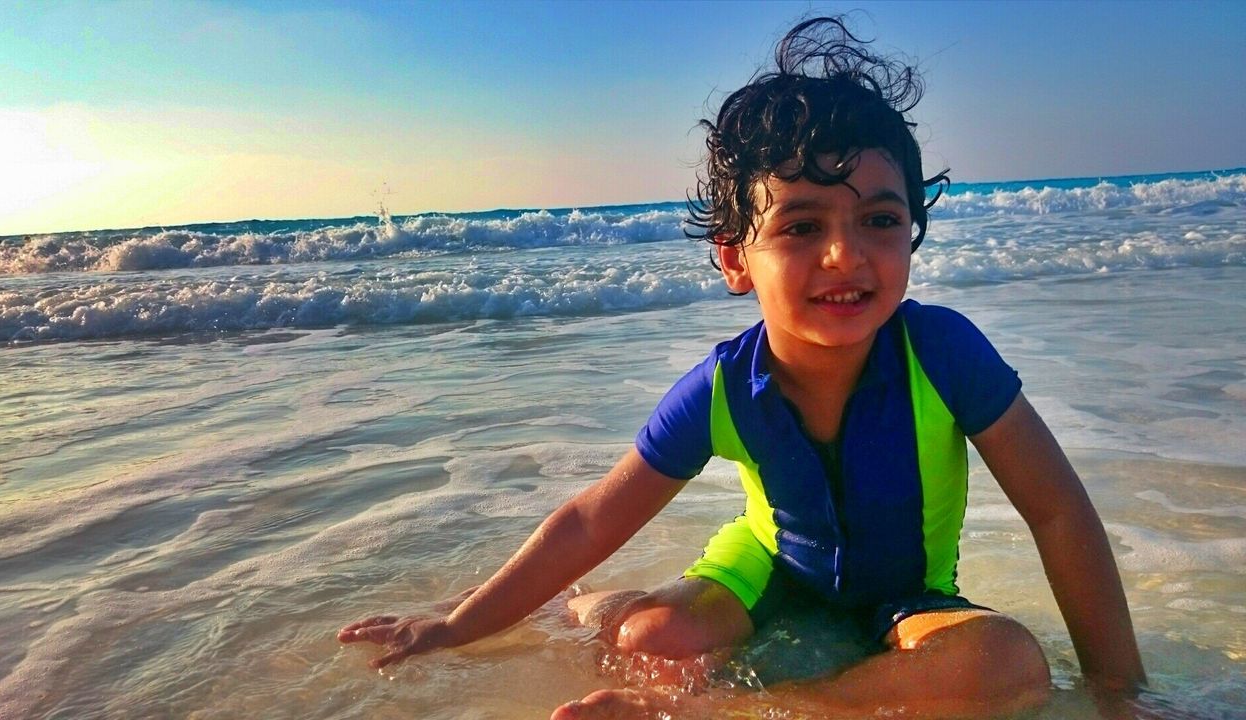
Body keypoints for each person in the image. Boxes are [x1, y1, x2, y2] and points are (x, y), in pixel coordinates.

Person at [338, 16, 1146, 719]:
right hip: (767, 573)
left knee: (1010, 666)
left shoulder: (943, 353)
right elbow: (590, 520)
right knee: (646, 636)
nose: (846, 253)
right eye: (800, 226)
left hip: (910, 596)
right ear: (735, 259)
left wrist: (1122, 693)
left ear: (912, 232)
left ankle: (738, 712)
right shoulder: (724, 388)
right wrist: (453, 627)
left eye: (880, 218)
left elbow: (1059, 513)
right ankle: (599, 609)